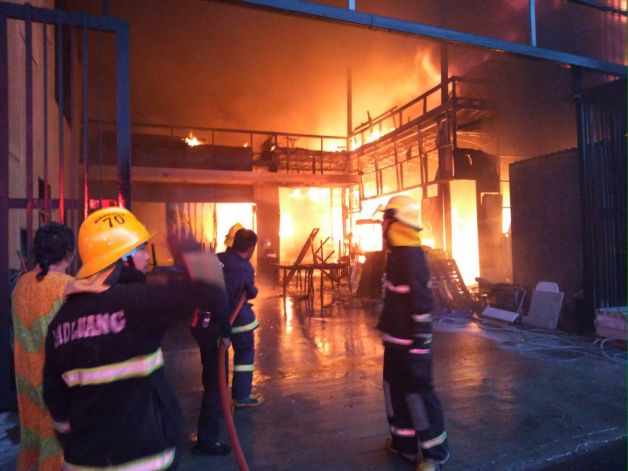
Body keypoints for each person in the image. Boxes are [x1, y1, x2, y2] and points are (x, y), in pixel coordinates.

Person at [42, 207, 230, 470]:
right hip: (145, 459)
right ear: (124, 258)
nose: (147, 256)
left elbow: (56, 405)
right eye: (141, 249)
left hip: (83, 462)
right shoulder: (137, 304)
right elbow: (212, 294)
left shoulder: (60, 321)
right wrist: (190, 250)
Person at [378, 195, 449, 471]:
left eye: (384, 219)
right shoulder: (397, 254)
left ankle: (435, 455)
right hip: (395, 343)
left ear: (395, 221)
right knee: (395, 395)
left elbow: (422, 303)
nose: (381, 225)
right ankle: (404, 446)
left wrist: (420, 344)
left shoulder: (412, 256)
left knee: (419, 397)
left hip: (412, 346)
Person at [11, 222, 75, 470]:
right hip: (57, 383)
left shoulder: (21, 285)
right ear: (69, 253)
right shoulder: (66, 286)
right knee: (57, 448)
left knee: (34, 439)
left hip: (26, 377)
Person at [218, 228, 263, 408]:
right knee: (244, 354)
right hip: (237, 320)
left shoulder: (219, 259)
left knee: (218, 361)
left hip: (216, 319)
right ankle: (242, 396)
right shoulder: (244, 267)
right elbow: (247, 291)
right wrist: (253, 290)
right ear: (251, 248)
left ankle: (218, 396)